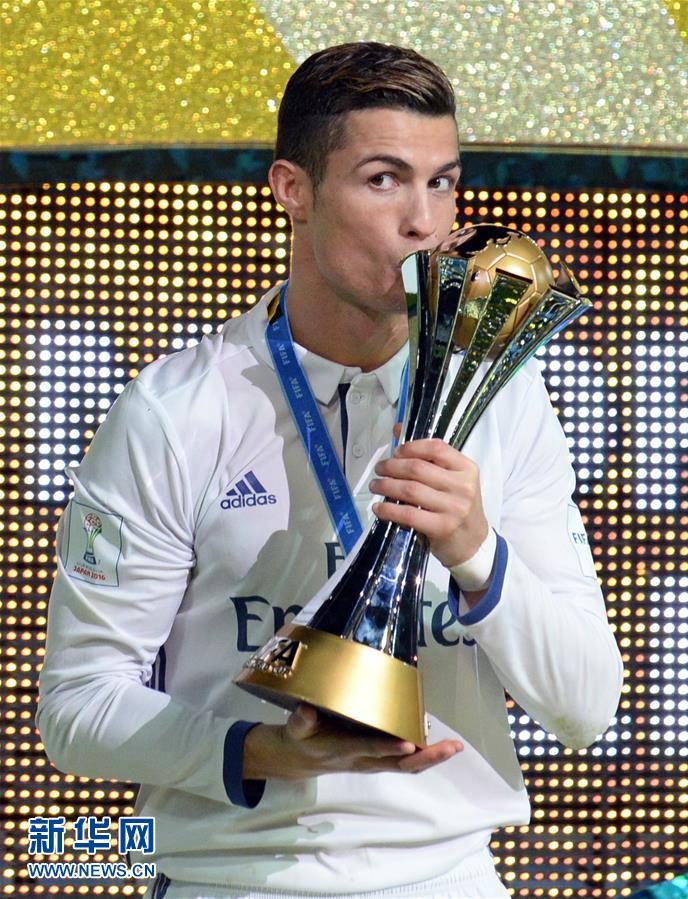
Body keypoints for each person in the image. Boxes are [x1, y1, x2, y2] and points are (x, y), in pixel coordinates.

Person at [37, 42, 623, 899]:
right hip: (230, 877)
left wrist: (475, 551)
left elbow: (585, 707)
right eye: (383, 179)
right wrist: (266, 751)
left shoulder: (503, 398)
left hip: (448, 876)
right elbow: (78, 708)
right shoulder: (175, 411)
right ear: (293, 190)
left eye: (442, 183)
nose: (423, 223)